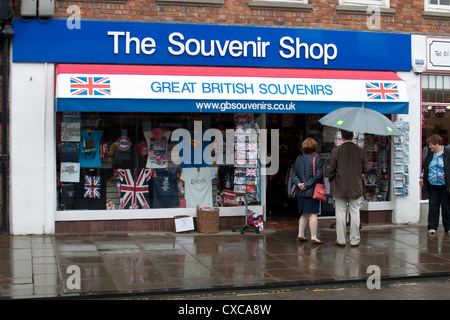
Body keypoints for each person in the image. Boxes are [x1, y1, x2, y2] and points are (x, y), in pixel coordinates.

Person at [329, 130, 369, 247]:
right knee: (355, 213)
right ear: (353, 136)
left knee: (341, 213)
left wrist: (332, 180)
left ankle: (341, 240)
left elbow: (331, 170)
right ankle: (355, 240)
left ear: (342, 137)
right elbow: (366, 169)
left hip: (340, 186)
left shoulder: (336, 151)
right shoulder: (361, 151)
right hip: (355, 186)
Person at [292, 138, 324, 244]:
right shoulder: (317, 159)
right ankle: (313, 236)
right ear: (315, 147)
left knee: (304, 214)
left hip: (300, 190)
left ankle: (300, 234)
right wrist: (307, 184)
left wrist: (299, 184)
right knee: (313, 214)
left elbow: (294, 174)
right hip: (312, 190)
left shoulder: (298, 159)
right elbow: (318, 175)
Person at [420, 134, 450, 234]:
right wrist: (422, 177)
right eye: (429, 145)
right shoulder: (430, 155)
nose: (430, 147)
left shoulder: (447, 153)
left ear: (437, 144)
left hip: (444, 185)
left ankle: (448, 227)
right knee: (433, 206)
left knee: (446, 207)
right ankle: (432, 227)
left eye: (431, 145)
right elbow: (426, 168)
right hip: (432, 185)